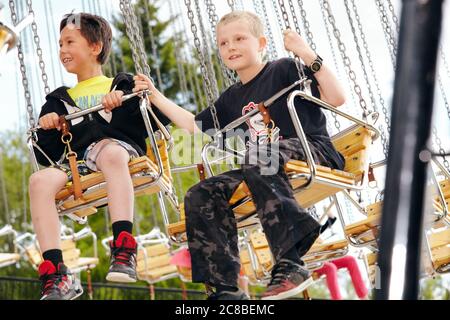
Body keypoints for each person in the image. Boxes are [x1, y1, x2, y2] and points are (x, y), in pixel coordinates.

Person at [134, 10, 346, 300]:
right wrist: (156, 96)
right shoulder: (231, 99)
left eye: (239, 39)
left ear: (260, 43)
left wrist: (307, 53)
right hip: (263, 163)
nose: (230, 47)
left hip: (311, 150)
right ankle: (225, 287)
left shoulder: (284, 69)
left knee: (259, 155)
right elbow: (195, 128)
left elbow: (336, 97)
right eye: (223, 43)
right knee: (201, 193)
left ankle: (290, 260)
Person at [29, 12, 168, 300]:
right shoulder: (58, 100)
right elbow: (46, 153)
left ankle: (123, 246)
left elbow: (152, 120)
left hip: (120, 152)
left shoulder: (119, 84)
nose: (63, 50)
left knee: (110, 152)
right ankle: (56, 272)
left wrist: (122, 102)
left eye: (70, 42)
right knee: (39, 181)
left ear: (95, 48)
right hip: (77, 163)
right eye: (60, 44)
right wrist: (50, 124)